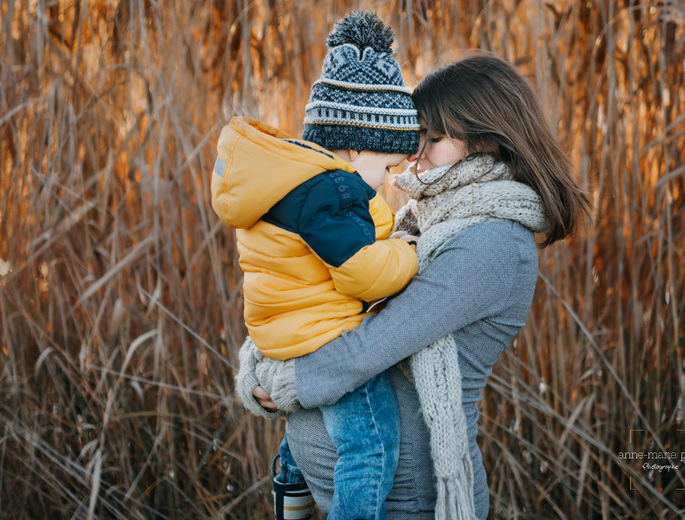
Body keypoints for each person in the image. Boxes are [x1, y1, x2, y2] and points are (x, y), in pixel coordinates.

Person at [238, 54, 591, 519]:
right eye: (416, 135)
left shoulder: (496, 243)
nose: (415, 154)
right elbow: (316, 298)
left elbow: (374, 343)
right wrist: (258, 359)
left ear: (485, 140)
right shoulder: (423, 218)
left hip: (409, 503)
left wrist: (289, 382)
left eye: (434, 138)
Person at [211, 11, 422, 520]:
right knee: (369, 443)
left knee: (307, 431)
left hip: (279, 334)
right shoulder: (334, 192)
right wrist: (409, 250)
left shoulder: (287, 184)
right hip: (321, 339)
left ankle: (291, 487)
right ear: (353, 147)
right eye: (385, 167)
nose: (386, 181)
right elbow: (362, 273)